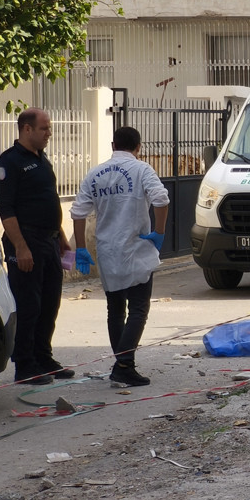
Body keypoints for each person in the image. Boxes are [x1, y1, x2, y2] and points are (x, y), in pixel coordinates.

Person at [70, 127, 169, 387]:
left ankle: (123, 365)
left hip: (108, 251)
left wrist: (81, 247)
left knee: (115, 310)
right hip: (136, 248)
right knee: (138, 309)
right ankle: (124, 366)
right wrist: (159, 233)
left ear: (113, 145)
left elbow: (78, 212)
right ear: (138, 147)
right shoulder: (142, 169)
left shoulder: (95, 173)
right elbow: (161, 199)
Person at [0, 108, 74, 385]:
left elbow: (47, 199)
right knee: (29, 305)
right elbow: (6, 209)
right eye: (44, 128)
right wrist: (20, 247)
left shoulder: (42, 159)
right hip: (26, 241)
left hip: (49, 241)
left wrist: (60, 235)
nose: (49, 133)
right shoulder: (9, 162)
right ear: (27, 129)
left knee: (50, 303)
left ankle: (43, 358)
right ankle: (25, 365)